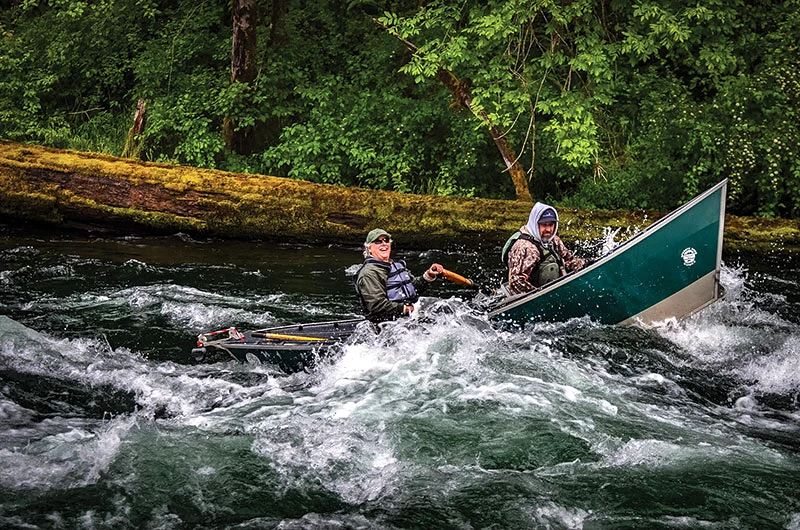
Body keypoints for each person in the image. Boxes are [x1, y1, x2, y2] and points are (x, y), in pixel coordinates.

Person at [354, 228, 443, 322]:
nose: (383, 244)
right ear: (369, 249)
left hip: (405, 318)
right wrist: (406, 309)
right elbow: (377, 305)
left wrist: (429, 275)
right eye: (378, 241)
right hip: (385, 324)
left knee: (442, 309)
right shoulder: (369, 273)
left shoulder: (396, 266)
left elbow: (413, 288)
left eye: (386, 240)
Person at [501, 202, 585, 296]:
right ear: (535, 224)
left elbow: (569, 259)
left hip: (556, 288)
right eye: (544, 225)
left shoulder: (553, 240)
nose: (548, 229)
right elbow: (516, 281)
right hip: (534, 296)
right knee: (549, 270)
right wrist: (541, 296)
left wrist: (581, 264)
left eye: (551, 224)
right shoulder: (526, 248)